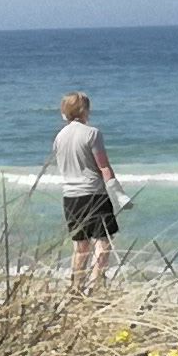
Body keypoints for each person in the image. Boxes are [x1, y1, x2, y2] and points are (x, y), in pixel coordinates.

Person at [50, 90, 122, 288]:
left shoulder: (59, 137)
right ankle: (96, 282)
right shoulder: (92, 133)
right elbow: (103, 167)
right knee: (102, 241)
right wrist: (119, 194)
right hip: (94, 193)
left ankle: (76, 285)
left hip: (70, 196)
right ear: (84, 110)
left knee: (80, 244)